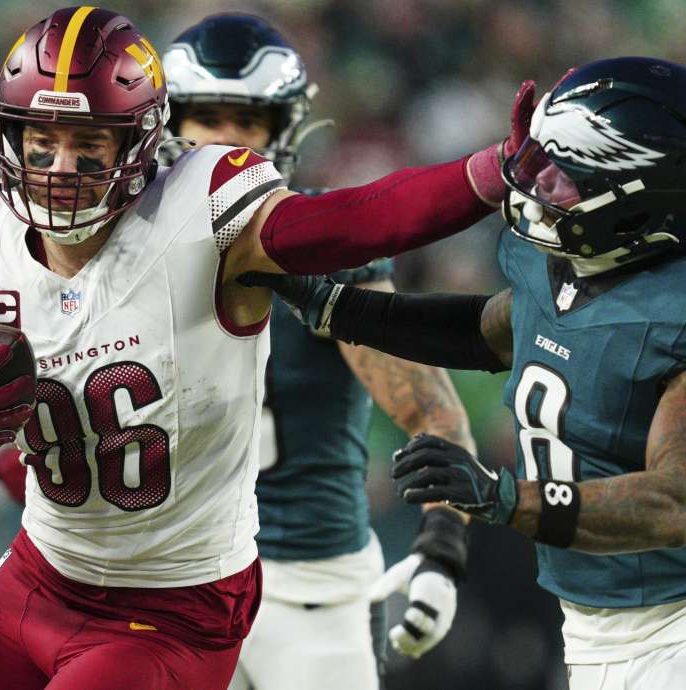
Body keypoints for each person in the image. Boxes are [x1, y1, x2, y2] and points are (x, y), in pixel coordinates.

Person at [0, 6, 546, 689]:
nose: (61, 165)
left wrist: (484, 176)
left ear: (140, 142)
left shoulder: (208, 211)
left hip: (185, 601)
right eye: (42, 138)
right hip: (42, 573)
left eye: (90, 142)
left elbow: (354, 225)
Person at [244, 57, 686, 690]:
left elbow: (672, 504)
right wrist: (336, 306)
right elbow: (484, 330)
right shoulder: (562, 271)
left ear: (647, 206)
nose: (544, 183)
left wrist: (503, 496)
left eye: (572, 173)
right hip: (591, 629)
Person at [162, 14, 476, 689]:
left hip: (308, 590)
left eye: (246, 122)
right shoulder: (120, 249)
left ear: (281, 133)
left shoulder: (327, 250)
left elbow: (434, 414)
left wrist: (441, 548)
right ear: (167, 123)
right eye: (206, 117)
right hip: (165, 584)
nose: (224, 140)